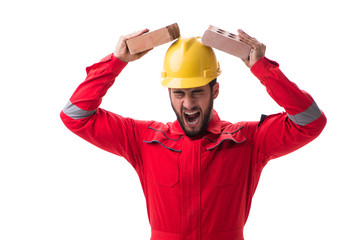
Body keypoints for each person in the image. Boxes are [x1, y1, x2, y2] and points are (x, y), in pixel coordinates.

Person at [60, 28, 326, 240]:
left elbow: (310, 121)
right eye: (179, 93)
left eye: (197, 91)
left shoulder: (248, 141)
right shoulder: (143, 140)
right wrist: (115, 62)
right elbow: (75, 116)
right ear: (169, 94)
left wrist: (263, 69)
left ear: (215, 91)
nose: (188, 104)